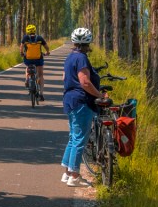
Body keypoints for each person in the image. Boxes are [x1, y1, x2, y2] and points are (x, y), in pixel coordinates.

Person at [61, 27, 105, 187]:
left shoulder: (70, 57)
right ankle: (74, 176)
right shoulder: (82, 58)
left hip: (70, 100)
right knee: (80, 139)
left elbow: (65, 77)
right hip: (81, 101)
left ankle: (66, 173)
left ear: (73, 42)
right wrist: (99, 95)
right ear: (88, 43)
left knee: (73, 137)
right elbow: (85, 82)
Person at [20, 24, 51, 101]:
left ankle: (27, 79)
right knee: (40, 75)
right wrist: (47, 52)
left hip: (28, 59)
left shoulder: (25, 38)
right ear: (35, 30)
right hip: (38, 59)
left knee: (28, 67)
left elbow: (21, 47)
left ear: (27, 31)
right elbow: (46, 47)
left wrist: (22, 53)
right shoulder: (39, 38)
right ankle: (41, 94)